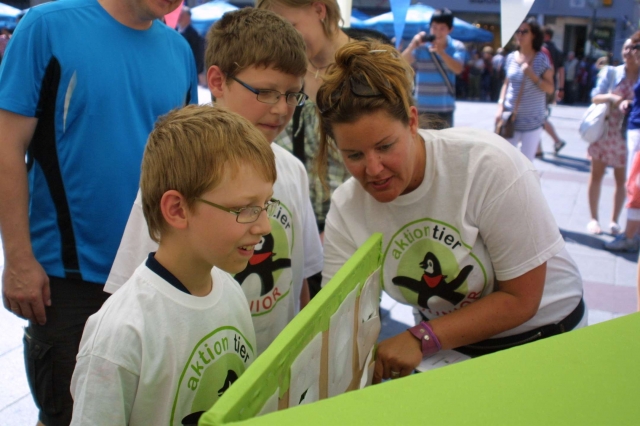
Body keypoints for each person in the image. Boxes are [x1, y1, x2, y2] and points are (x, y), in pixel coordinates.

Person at [316, 39, 585, 382]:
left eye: (385, 147)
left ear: (412, 121)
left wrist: (422, 337)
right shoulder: (347, 207)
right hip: (449, 355)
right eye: (354, 155)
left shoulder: (485, 164)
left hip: (547, 337)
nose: (374, 169)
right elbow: (338, 320)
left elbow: (522, 298)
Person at [0, 0, 197, 424]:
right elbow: (6, 145)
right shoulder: (47, 27)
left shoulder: (179, 51)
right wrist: (17, 258)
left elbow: (186, 167)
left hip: (154, 277)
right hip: (70, 281)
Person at [105, 8, 323, 354]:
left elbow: (299, 280)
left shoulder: (293, 170)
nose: (282, 109)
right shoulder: (182, 168)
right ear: (218, 81)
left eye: (292, 95)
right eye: (266, 92)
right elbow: (129, 291)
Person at [70, 106, 267, 425]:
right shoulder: (121, 335)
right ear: (177, 209)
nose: (265, 226)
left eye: (265, 205)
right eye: (245, 209)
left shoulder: (231, 291)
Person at [586, 37, 638, 240]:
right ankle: (593, 218)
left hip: (627, 136)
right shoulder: (612, 72)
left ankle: (614, 220)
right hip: (606, 131)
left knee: (622, 180)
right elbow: (595, 96)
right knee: (596, 175)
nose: (629, 51)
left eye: (633, 47)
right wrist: (612, 98)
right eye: (625, 47)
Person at [496, 18, 555, 161]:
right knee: (505, 162)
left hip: (532, 121)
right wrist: (500, 105)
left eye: (524, 31)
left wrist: (533, 76)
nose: (520, 35)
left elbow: (550, 88)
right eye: (517, 31)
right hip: (510, 119)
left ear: (533, 35)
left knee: (525, 166)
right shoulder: (511, 57)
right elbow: (506, 83)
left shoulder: (541, 59)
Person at [604, 32, 640, 252]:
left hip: (638, 131)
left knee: (634, 184)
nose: (634, 51)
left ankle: (629, 235)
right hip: (634, 127)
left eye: (637, 47)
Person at [401, 8, 465, 128]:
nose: (437, 32)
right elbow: (402, 62)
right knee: (421, 144)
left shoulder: (456, 46)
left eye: (442, 28)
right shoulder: (422, 46)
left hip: (444, 108)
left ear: (450, 29)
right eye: (434, 27)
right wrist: (412, 46)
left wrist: (442, 53)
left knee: (444, 144)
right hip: (422, 107)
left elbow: (458, 69)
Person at [539, 26, 566, 156]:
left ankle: (557, 141)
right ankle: (538, 147)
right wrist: (560, 88)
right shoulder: (557, 50)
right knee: (538, 116)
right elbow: (561, 70)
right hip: (551, 86)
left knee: (538, 117)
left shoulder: (542, 50)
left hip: (541, 87)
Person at [178, 6, 205, 85]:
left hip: (188, 71)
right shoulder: (174, 31)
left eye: (182, 15)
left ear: (188, 17)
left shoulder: (194, 35)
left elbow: (199, 54)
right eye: (179, 15)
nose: (180, 17)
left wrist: (197, 71)